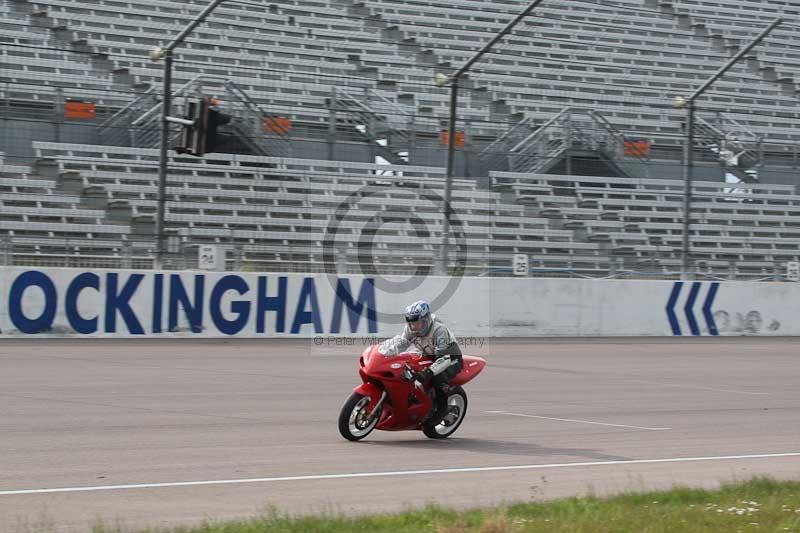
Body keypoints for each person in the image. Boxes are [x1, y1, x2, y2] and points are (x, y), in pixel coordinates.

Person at [381, 300, 463, 424]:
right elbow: (402, 343)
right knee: (407, 367)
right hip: (428, 355)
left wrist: (427, 372)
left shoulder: (439, 330)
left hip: (450, 358)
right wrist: (384, 353)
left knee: (437, 377)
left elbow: (443, 360)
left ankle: (442, 409)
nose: (413, 326)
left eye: (417, 322)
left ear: (425, 319)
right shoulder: (410, 329)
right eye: (411, 322)